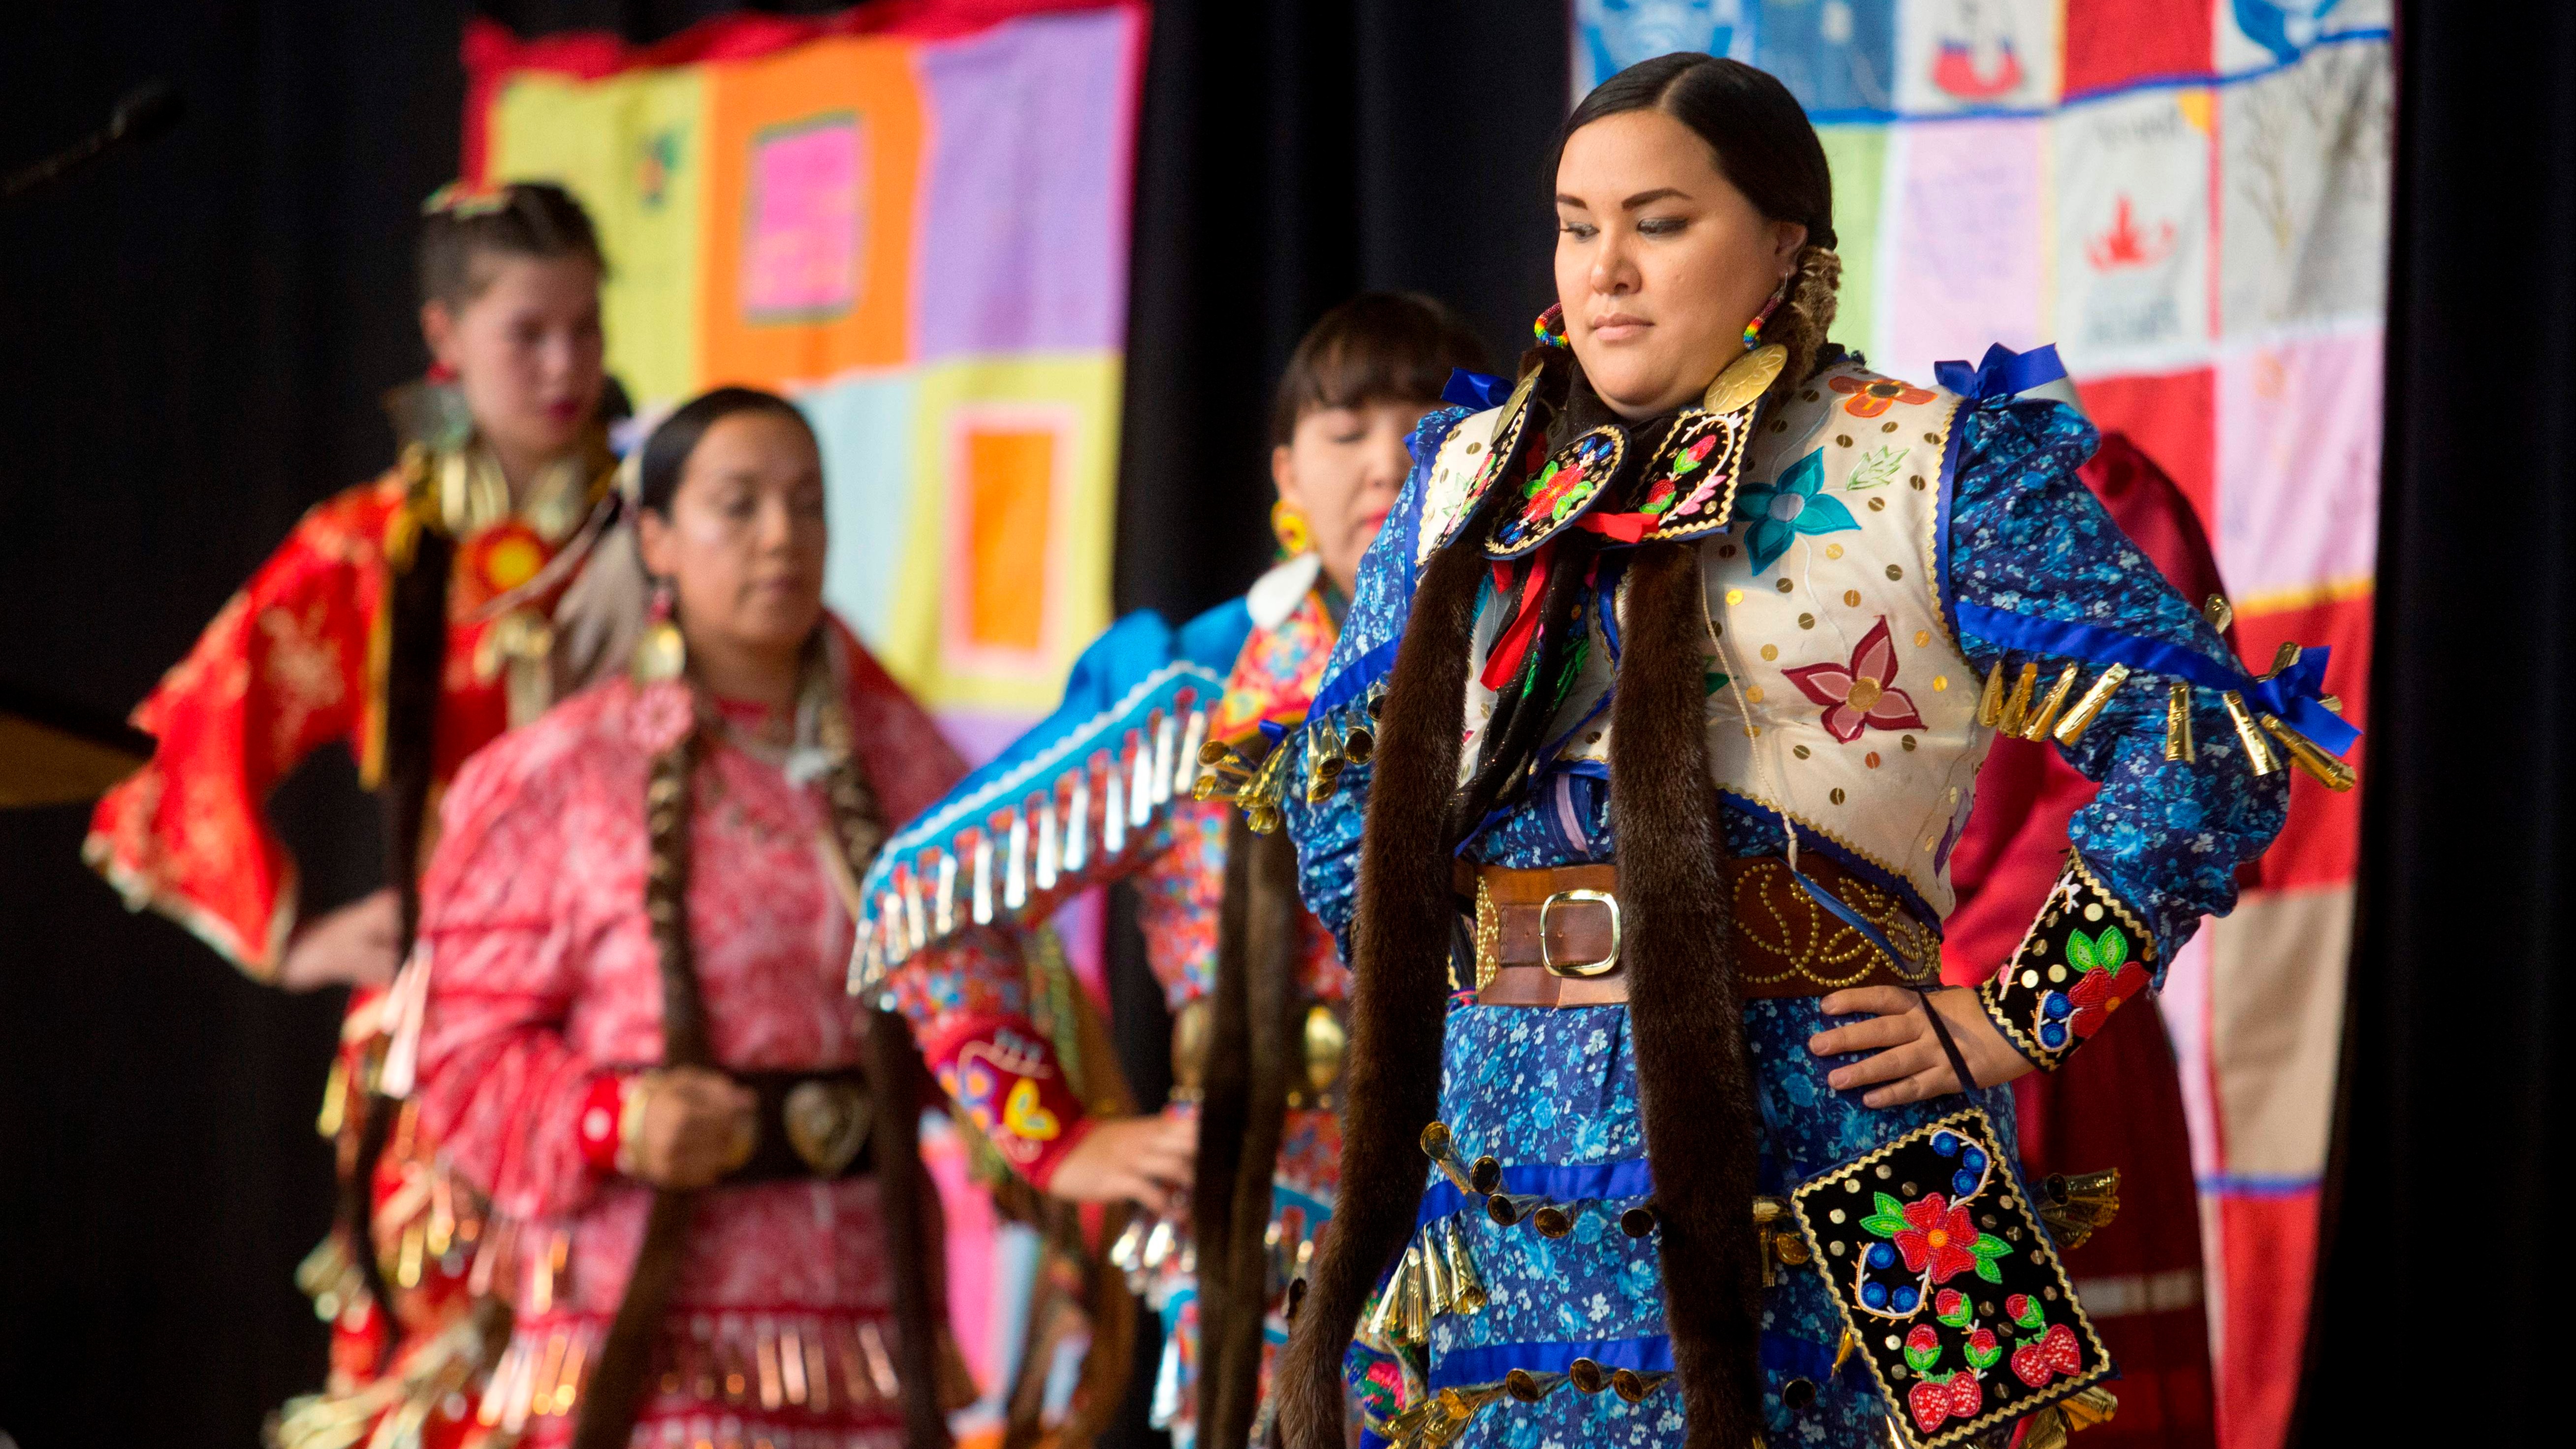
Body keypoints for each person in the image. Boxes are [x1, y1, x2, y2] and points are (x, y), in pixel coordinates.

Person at [1266, 54, 2354, 1449]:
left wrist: (2017, 1015)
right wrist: (1470, 999)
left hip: (1861, 1146)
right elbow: (1331, 782)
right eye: (1574, 223)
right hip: (1508, 1165)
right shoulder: (1465, 474)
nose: (1604, 270)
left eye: (1657, 223)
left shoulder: (1936, 461)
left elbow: (2214, 750)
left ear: (1784, 242)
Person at [401, 388, 1181, 1449]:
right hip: (642, 1334)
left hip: (870, 1330)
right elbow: (456, 1059)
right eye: (740, 505)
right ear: (659, 538)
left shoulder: (912, 770)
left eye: (807, 505)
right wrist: (612, 1118)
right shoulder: (558, 779)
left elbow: (1005, 994)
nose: (783, 535)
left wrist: (1064, 1143)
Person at [838, 293, 1490, 1449]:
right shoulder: (1192, 692)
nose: (1388, 459)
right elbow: (920, 895)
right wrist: (1059, 1136)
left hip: (1512, 1198)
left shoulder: (1551, 679)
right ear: (1286, 477)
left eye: (1429, 424)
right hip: (1265, 1216)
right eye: (1345, 432)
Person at [83, 182, 625, 1439]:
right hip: (452, 1025)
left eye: (586, 330)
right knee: (450, 1370)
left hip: (646, 1006)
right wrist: (290, 931)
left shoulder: (666, 523)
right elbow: (170, 755)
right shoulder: (373, 546)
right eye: (527, 334)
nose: (565, 365)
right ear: (445, 337)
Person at [1939, 433, 2240, 1449]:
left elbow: (2187, 745)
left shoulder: (2037, 489)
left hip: (1995, 1015)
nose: (1610, 273)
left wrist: (2003, 990)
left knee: (2011, 1403)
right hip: (1772, 1047)